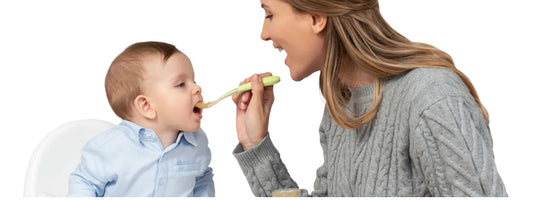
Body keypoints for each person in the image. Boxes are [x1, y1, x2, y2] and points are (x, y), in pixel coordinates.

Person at [231, 0, 507, 197]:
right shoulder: (341, 107)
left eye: (269, 15)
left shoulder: (431, 97)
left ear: (316, 18)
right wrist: (256, 144)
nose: (264, 34)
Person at [68, 41, 214, 197]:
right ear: (146, 106)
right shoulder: (110, 148)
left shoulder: (197, 142)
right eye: (181, 84)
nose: (197, 88)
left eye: (194, 81)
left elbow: (201, 177)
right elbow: (84, 182)